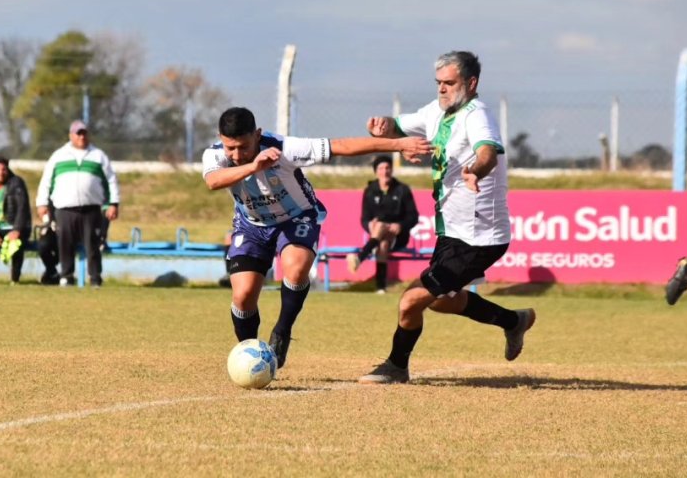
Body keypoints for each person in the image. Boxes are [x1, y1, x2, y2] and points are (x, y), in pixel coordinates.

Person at [202, 106, 432, 369]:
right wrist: (254, 165)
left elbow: (340, 146)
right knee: (242, 296)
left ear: (257, 134)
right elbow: (212, 181)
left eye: (243, 146)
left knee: (296, 268)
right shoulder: (215, 154)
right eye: (230, 147)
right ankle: (251, 356)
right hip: (251, 225)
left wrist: (398, 143)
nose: (236, 154)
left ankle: (283, 330)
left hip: (296, 217)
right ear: (221, 139)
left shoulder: (285, 148)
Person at [358, 51, 535, 385]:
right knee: (441, 302)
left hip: (480, 236)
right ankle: (514, 321)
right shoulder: (436, 110)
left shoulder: (476, 115)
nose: (442, 89)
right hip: (453, 232)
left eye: (449, 83)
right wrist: (383, 125)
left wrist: (475, 171)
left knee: (411, 301)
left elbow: (488, 153)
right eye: (438, 83)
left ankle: (396, 366)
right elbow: (398, 126)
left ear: (471, 83)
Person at [35, 120, 119, 287]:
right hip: (65, 209)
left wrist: (113, 203)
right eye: (78, 133)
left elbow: (111, 181)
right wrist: (42, 203)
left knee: (93, 245)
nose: (81, 137)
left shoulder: (98, 155)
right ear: (71, 135)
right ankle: (66, 276)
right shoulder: (59, 155)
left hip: (91, 209)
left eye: (84, 133)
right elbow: (46, 181)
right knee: (65, 244)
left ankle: (95, 278)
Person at [346, 155, 419, 293]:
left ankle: (360, 257)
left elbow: (413, 216)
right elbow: (364, 218)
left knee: (381, 230)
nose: (384, 171)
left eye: (387, 168)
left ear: (391, 170)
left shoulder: (402, 189)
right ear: (376, 171)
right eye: (381, 168)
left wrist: (401, 226)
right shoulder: (370, 191)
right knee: (382, 241)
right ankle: (381, 288)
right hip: (378, 236)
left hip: (399, 236)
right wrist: (369, 225)